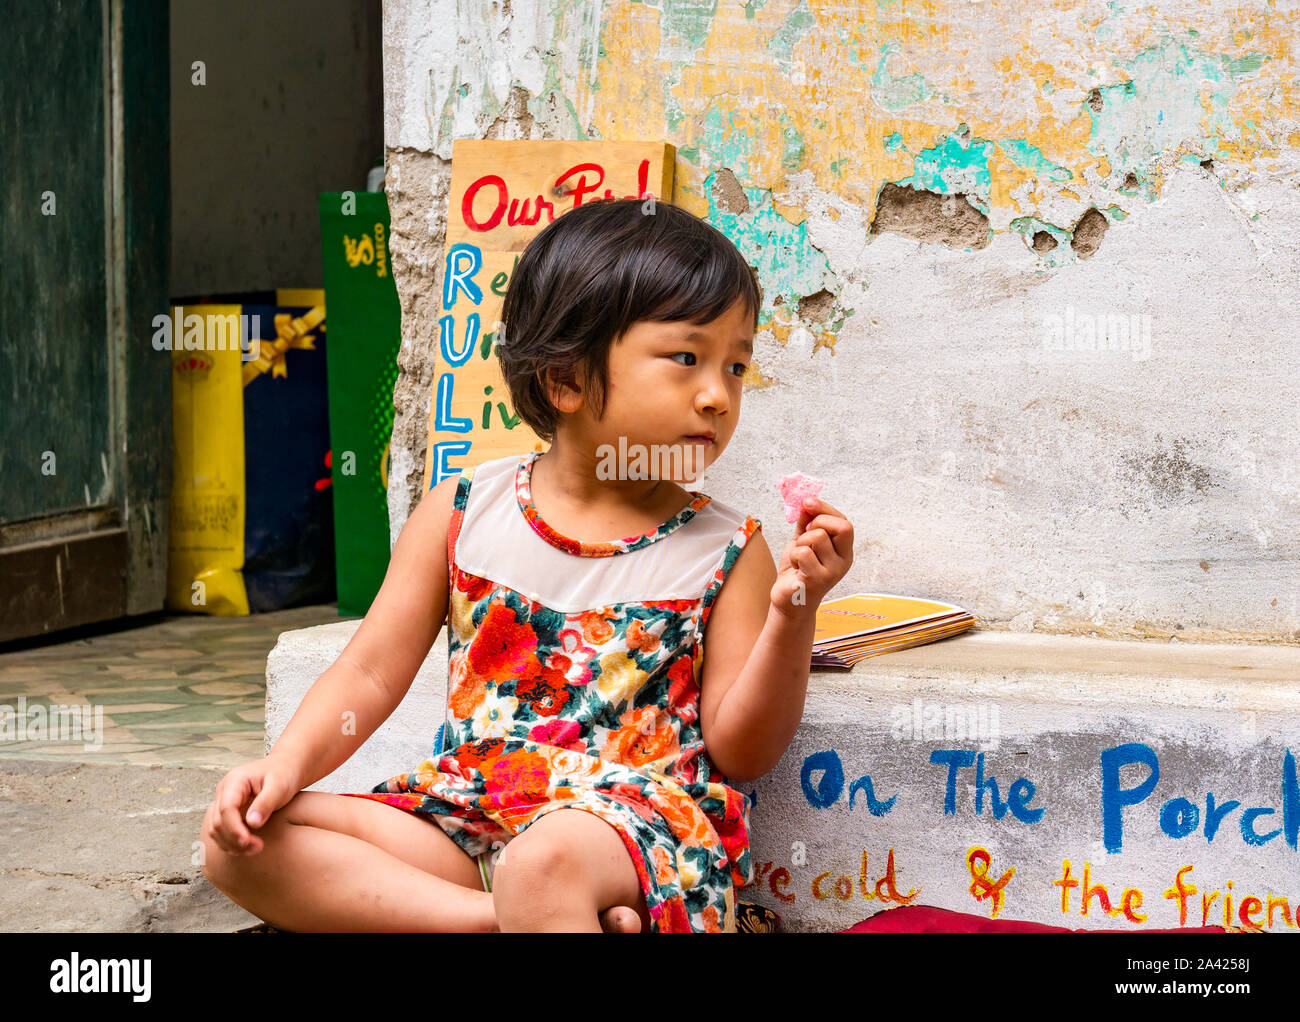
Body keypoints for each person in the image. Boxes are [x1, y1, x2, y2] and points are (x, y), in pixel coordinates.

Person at [199, 197, 854, 933]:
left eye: (736, 366)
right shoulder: (464, 509)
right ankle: (494, 921)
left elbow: (743, 748)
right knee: (245, 842)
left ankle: (532, 906)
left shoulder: (726, 548)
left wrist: (794, 614)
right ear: (565, 380)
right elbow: (368, 675)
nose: (718, 395)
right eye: (687, 358)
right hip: (468, 816)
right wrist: (282, 769)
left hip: (626, 836)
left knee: (542, 865)